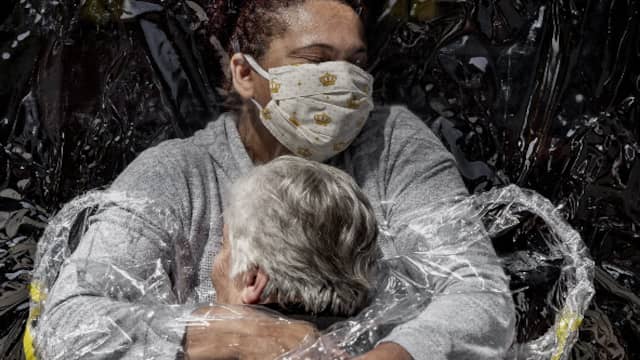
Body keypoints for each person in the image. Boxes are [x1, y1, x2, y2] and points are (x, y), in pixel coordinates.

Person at [34, 0, 516, 359]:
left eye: (356, 62)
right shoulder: (177, 176)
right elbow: (67, 324)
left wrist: (389, 356)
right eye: (316, 60)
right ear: (245, 73)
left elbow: (481, 298)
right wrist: (237, 335)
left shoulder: (395, 149)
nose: (343, 79)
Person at [210, 156, 379, 327]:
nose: (215, 263)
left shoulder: (203, 349)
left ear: (254, 280)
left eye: (223, 246)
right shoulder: (377, 342)